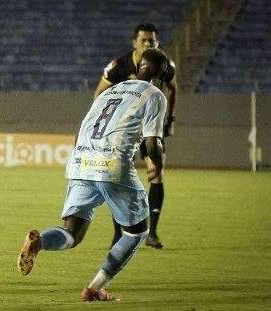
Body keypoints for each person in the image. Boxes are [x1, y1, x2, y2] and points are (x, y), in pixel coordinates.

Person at [18, 48, 169, 302]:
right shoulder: (155, 95)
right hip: (112, 163)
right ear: (161, 75)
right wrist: (158, 162)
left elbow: (83, 128)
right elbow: (153, 144)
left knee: (72, 233)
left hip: (81, 159)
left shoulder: (110, 90)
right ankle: (94, 288)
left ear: (139, 66)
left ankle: (40, 242)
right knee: (137, 232)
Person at [93, 23, 178, 249]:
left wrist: (170, 119)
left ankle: (152, 232)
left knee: (156, 175)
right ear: (134, 43)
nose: (148, 44)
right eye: (144, 40)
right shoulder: (119, 66)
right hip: (124, 131)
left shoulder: (165, 65)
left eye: (152, 41)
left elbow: (173, 88)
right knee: (118, 179)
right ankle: (118, 233)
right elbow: (99, 93)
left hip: (149, 127)